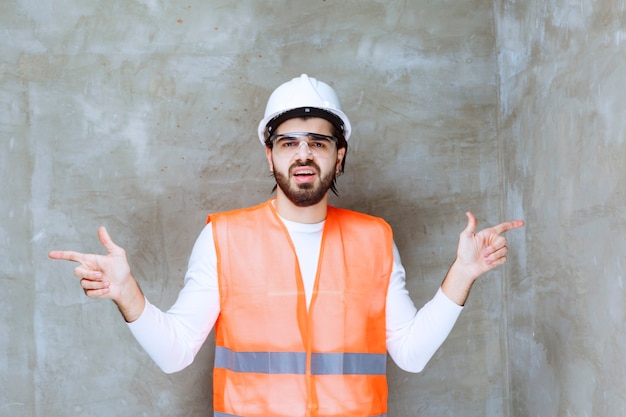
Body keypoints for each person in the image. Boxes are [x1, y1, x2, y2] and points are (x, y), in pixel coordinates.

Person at [49, 74, 525, 417]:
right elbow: (175, 353)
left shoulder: (375, 238)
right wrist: (126, 290)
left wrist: (462, 273)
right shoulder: (223, 236)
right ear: (269, 153)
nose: (302, 154)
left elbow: (411, 354)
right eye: (288, 142)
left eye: (318, 143)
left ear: (339, 157)